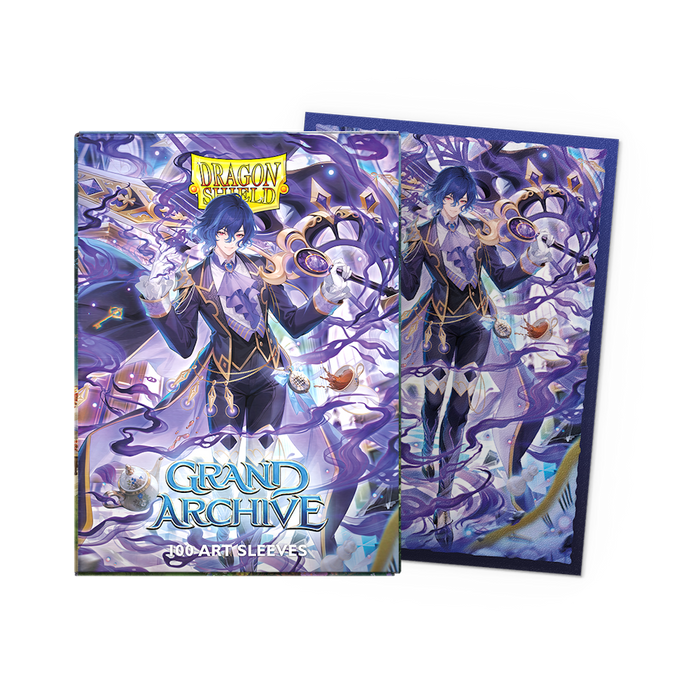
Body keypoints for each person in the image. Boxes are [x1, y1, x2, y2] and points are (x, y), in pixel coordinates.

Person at [401, 166, 552, 543]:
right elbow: (407, 290)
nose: (456, 205)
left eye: (463, 200)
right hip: (439, 327)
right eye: (451, 198)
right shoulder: (422, 235)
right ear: (440, 197)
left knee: (458, 411)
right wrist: (402, 253)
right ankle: (427, 436)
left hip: (476, 328)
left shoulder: (479, 232)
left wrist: (532, 257)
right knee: (434, 400)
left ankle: (443, 505)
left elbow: (500, 277)